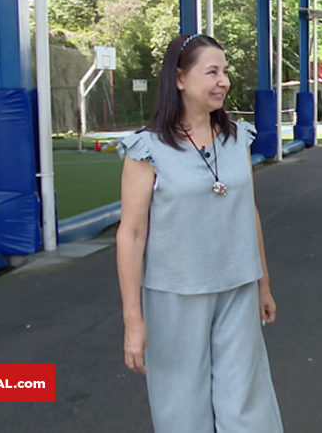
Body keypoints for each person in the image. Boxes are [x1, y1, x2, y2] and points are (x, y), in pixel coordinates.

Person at [115, 33, 283, 433]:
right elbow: (131, 235)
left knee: (247, 409)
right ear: (178, 79)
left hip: (238, 287)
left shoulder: (237, 138)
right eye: (211, 72)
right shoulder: (148, 149)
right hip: (175, 294)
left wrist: (263, 283)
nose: (223, 81)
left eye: (225, 71)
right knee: (181, 411)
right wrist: (133, 321)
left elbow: (248, 212)